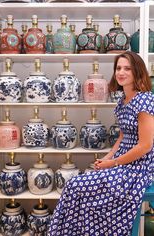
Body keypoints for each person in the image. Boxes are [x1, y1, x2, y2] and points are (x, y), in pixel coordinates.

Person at [48, 51, 154, 236]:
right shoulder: (122, 101)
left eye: (127, 68)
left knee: (75, 185)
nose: (121, 72)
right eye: (118, 68)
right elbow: (122, 137)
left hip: (140, 167)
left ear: (137, 72)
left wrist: (112, 163)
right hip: (123, 162)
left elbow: (145, 145)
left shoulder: (145, 99)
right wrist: (106, 158)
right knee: (78, 187)